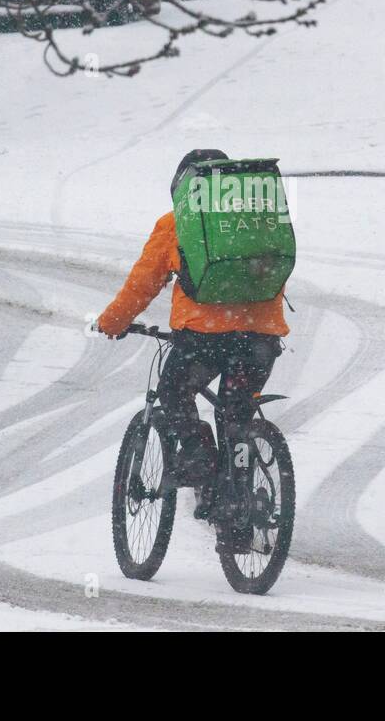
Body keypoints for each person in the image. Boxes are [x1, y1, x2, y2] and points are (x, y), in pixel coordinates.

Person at [96, 149, 288, 535]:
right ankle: (239, 504)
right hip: (260, 340)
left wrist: (113, 321)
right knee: (235, 413)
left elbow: (144, 282)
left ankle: (198, 456)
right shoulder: (257, 222)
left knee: (174, 391)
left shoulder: (175, 224)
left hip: (204, 341)